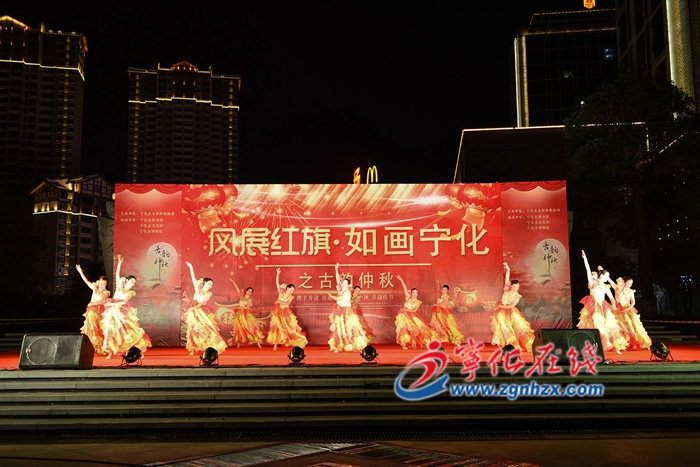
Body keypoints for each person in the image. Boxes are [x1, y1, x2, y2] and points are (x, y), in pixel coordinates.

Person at [100, 255, 152, 359]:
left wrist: (111, 304)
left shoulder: (130, 293)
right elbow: (117, 274)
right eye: (132, 281)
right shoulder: (119, 286)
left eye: (134, 283)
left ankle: (139, 350)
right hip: (112, 311)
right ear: (126, 281)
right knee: (110, 329)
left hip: (121, 311)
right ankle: (111, 351)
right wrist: (120, 262)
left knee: (127, 331)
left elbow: (123, 302)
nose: (133, 284)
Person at [577, 251, 628, 354]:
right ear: (601, 276)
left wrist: (613, 306)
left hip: (603, 307)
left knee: (609, 325)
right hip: (593, 307)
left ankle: (614, 346)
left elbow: (611, 298)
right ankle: (594, 346)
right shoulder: (592, 282)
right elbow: (587, 269)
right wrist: (585, 259)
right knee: (595, 325)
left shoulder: (606, 286)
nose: (607, 278)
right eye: (606, 276)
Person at [183, 262, 227, 356]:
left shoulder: (208, 294)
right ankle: (193, 349)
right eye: (209, 284)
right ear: (204, 283)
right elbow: (193, 277)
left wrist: (193, 308)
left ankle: (214, 347)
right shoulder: (197, 289)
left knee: (206, 328)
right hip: (193, 311)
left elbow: (202, 303)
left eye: (211, 285)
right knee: (193, 329)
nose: (210, 286)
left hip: (201, 311)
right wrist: (191, 267)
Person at [489, 262, 535, 352]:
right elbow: (507, 279)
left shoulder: (517, 296)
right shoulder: (507, 290)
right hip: (501, 311)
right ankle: (507, 345)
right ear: (511, 286)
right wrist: (508, 269)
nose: (515, 289)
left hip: (510, 311)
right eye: (514, 287)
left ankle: (515, 345)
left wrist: (500, 305)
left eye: (517, 288)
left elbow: (511, 306)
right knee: (503, 327)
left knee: (517, 328)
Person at [327, 263, 370, 352]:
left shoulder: (347, 293)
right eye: (343, 283)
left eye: (345, 283)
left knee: (352, 329)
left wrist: (331, 296)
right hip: (339, 312)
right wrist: (336, 269)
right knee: (340, 329)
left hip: (347, 313)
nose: (343, 284)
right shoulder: (341, 289)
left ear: (348, 285)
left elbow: (339, 298)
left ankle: (359, 346)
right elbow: (337, 280)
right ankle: (339, 346)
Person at [265, 268, 307, 351]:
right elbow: (277, 284)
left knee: (288, 327)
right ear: (287, 288)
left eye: (293, 290)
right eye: (291, 289)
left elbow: (287, 304)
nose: (292, 291)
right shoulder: (281, 293)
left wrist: (279, 301)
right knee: (276, 327)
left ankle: (293, 342)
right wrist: (277, 274)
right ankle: (275, 345)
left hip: (285, 312)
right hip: (277, 312)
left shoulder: (291, 297)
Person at [76, 265, 110, 353]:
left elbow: (102, 302)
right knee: (90, 327)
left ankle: (100, 346)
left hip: (99, 311)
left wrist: (91, 304)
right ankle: (90, 345)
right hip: (91, 310)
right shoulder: (95, 288)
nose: (102, 286)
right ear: (99, 282)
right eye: (101, 284)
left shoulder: (106, 292)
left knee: (98, 327)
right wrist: (80, 272)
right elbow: (86, 281)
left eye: (104, 284)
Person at [394, 275, 435, 349]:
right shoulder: (407, 297)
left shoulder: (418, 302)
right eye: (413, 292)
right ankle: (405, 344)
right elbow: (404, 287)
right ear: (411, 293)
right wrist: (401, 280)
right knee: (404, 329)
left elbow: (414, 310)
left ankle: (418, 342)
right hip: (404, 316)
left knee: (417, 328)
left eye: (416, 292)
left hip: (412, 315)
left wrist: (405, 310)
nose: (415, 294)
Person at [612, 276, 651, 350]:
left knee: (633, 325)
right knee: (621, 326)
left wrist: (628, 308)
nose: (630, 285)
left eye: (631, 283)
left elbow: (633, 302)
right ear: (624, 282)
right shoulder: (617, 289)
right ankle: (623, 344)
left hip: (628, 309)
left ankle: (640, 343)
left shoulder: (630, 291)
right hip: (619, 310)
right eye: (628, 283)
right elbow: (611, 282)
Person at [228, 279, 264, 348]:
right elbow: (237, 289)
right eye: (248, 291)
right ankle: (239, 344)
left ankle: (258, 343)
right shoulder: (241, 296)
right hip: (239, 314)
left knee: (250, 327)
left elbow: (247, 307)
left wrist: (240, 307)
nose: (249, 292)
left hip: (246, 314)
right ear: (246, 291)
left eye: (251, 291)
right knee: (239, 328)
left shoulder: (250, 299)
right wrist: (233, 282)